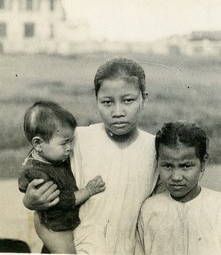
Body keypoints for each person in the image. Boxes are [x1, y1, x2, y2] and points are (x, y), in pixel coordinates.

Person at [22, 57, 159, 254]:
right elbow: (37, 160)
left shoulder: (155, 148)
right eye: (107, 102)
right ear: (96, 101)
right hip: (74, 247)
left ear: (144, 99)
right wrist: (29, 199)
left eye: (128, 100)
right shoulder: (76, 138)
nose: (118, 111)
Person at [19, 100, 105, 254]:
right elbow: (62, 201)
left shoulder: (48, 155)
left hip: (62, 222)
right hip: (54, 226)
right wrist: (89, 190)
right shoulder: (38, 173)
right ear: (38, 144)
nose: (69, 148)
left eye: (71, 142)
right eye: (64, 143)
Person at [136, 121, 221, 255]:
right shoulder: (149, 210)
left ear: (203, 163)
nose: (176, 176)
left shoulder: (217, 207)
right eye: (168, 166)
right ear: (157, 161)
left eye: (186, 166)